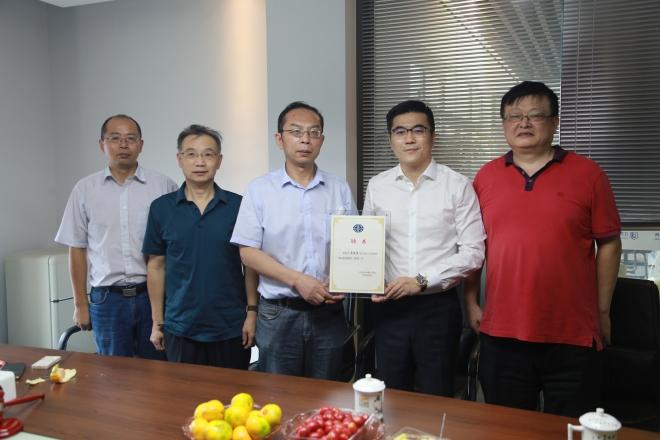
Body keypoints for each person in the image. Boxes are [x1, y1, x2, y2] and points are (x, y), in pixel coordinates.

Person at [465, 81, 622, 416]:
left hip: (572, 335)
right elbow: (472, 246)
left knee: (571, 429)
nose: (523, 123)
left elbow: (609, 243)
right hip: (502, 332)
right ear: (504, 124)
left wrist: (602, 311)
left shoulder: (589, 174)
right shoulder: (486, 177)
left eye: (535, 115)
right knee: (507, 428)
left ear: (555, 122)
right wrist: (470, 301)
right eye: (514, 116)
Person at [363, 100, 485, 396]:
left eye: (418, 130)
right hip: (389, 307)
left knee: (436, 393)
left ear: (433, 136)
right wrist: (363, 277)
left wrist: (420, 280)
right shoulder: (377, 186)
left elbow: (473, 253)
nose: (409, 139)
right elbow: (367, 243)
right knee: (391, 394)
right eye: (400, 131)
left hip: (438, 309)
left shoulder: (457, 186)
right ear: (391, 139)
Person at [230, 101, 356, 380]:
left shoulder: (338, 188)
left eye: (314, 132)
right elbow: (247, 252)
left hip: (329, 312)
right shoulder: (260, 189)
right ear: (279, 139)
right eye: (296, 131)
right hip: (278, 314)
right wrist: (298, 280)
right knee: (279, 396)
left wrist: (341, 279)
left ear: (322, 140)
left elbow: (353, 244)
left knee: (327, 394)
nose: (305, 139)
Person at [55, 114, 178, 358]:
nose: (123, 145)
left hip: (153, 297)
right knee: (113, 373)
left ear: (141, 144)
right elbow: (76, 248)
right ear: (102, 144)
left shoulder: (164, 186)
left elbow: (176, 246)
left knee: (159, 368)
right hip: (107, 300)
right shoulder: (84, 190)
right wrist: (80, 304)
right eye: (115, 138)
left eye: (130, 138)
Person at [142, 124, 259, 368]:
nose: (200, 162)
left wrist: (252, 313)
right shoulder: (161, 208)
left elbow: (250, 265)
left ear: (219, 160)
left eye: (208, 154)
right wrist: (157, 322)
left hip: (230, 327)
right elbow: (156, 266)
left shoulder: (239, 206)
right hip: (180, 327)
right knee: (183, 392)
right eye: (191, 154)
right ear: (179, 159)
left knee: (233, 392)